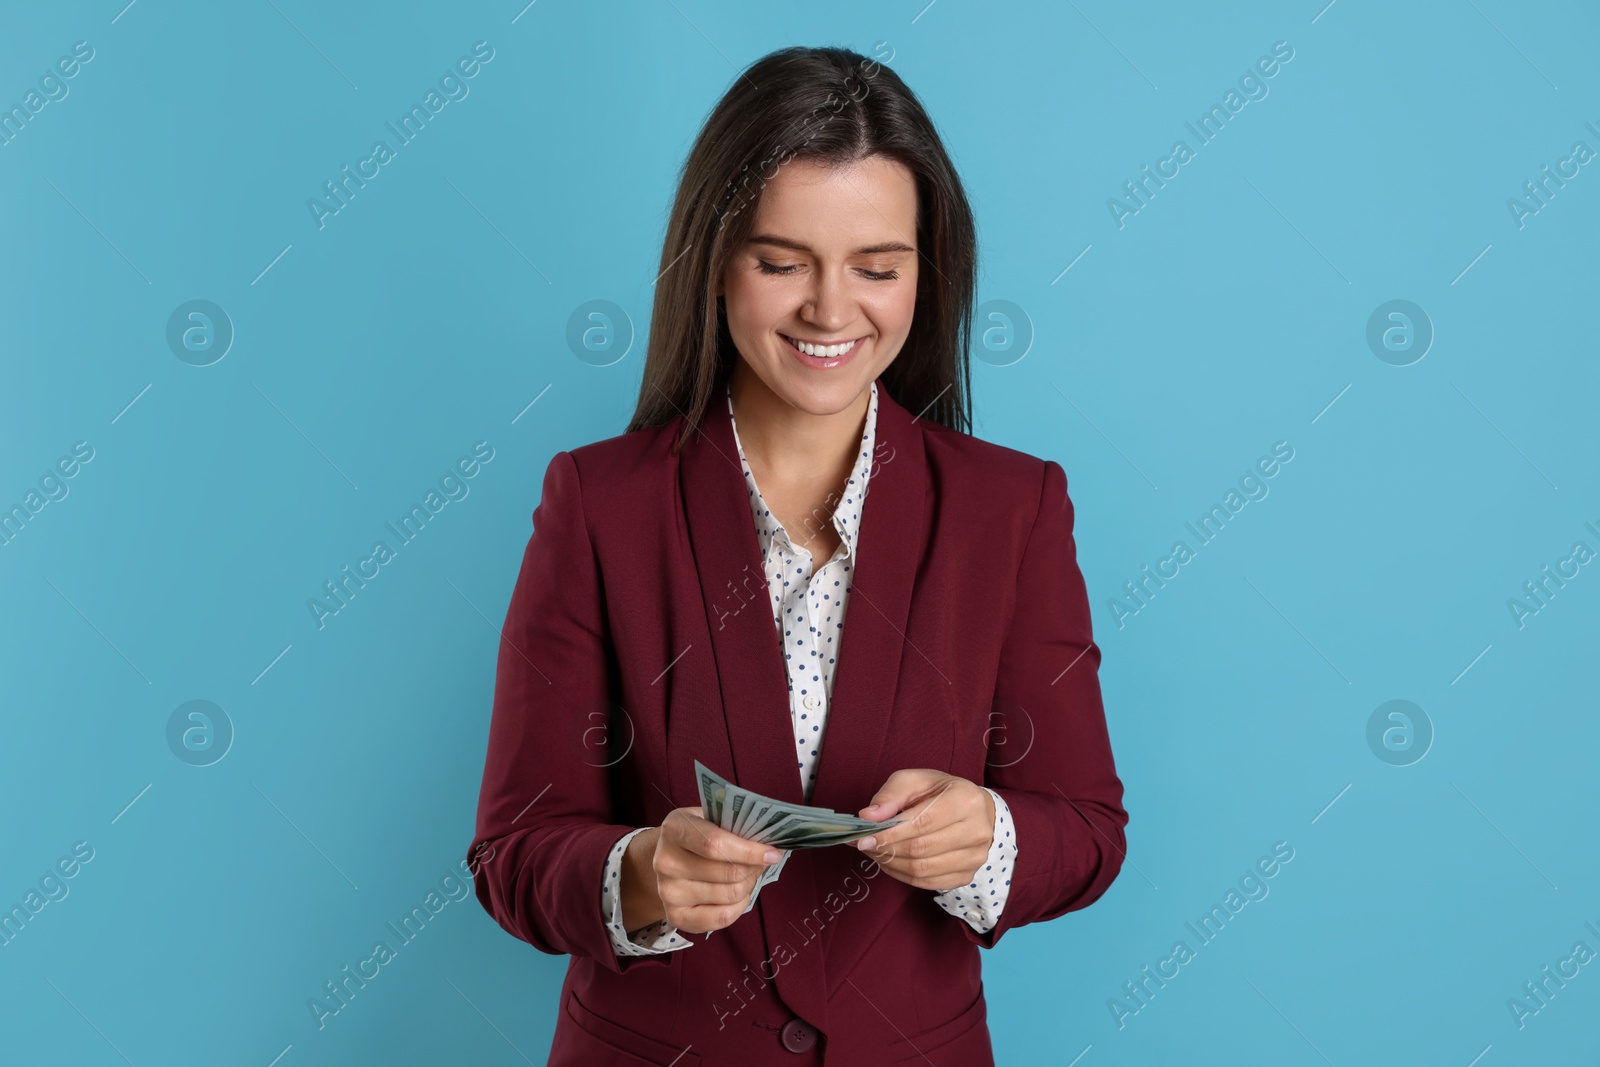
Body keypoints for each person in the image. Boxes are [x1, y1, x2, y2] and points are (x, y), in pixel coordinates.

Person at [468, 44, 1127, 1066]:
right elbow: (513, 850)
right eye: (780, 262)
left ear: (926, 272)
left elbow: (1086, 830)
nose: (829, 309)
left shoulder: (1014, 507)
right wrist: (638, 872)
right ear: (714, 261)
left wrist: (989, 837)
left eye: (876, 266)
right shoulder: (598, 503)